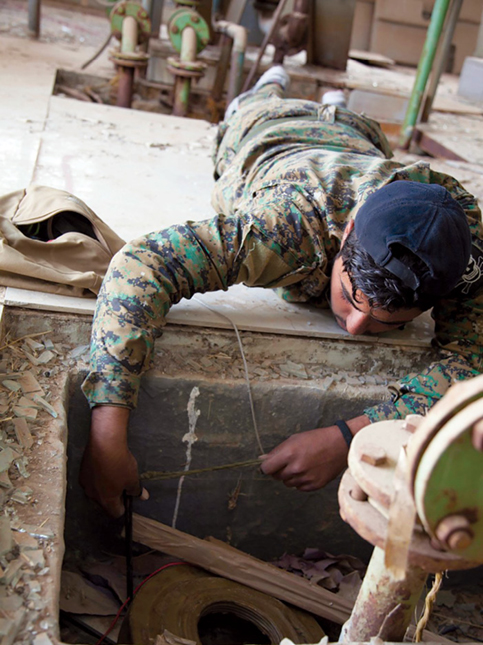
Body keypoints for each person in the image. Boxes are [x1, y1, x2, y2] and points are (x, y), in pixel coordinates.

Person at [80, 66, 483, 517]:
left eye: (387, 322)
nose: (354, 328)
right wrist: (107, 435)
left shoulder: (463, 249)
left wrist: (351, 435)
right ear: (345, 234)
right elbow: (142, 264)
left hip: (360, 136)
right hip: (265, 131)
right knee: (256, 102)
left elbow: (474, 367)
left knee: (348, 119)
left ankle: (333, 101)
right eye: (350, 298)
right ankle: (269, 85)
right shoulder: (288, 228)